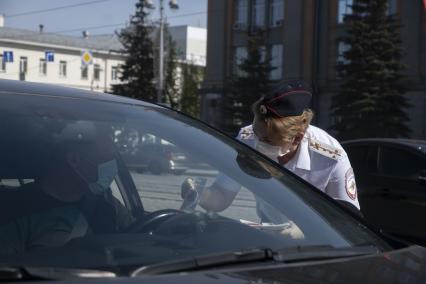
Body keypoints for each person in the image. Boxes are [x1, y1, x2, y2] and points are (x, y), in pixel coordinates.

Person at [181, 80, 360, 220]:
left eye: (267, 140)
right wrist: (199, 193)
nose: (257, 143)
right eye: (257, 134)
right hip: (270, 239)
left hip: (320, 249)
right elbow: (221, 197)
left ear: (296, 138)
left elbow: (349, 221)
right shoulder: (248, 139)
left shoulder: (330, 156)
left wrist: (303, 232)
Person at [0, 121, 133, 254]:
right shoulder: (16, 212)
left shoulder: (107, 201)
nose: (113, 167)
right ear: (74, 160)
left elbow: (138, 233)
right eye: (105, 159)